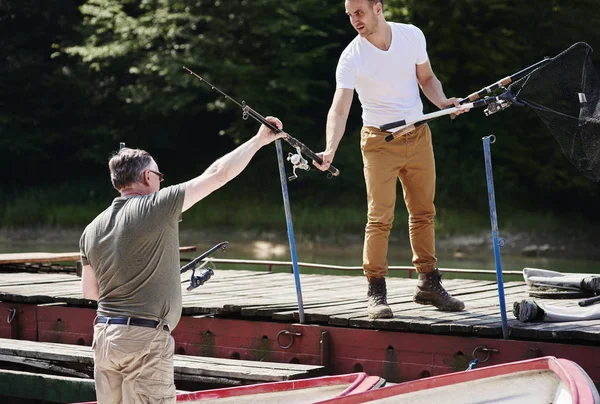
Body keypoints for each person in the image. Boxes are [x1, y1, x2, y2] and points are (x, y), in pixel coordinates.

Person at [80, 117, 285, 403]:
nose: (160, 181)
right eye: (159, 176)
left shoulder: (91, 229)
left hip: (104, 337)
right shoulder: (157, 206)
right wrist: (260, 139)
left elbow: (90, 292)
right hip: (144, 339)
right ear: (148, 177)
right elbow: (218, 174)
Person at [315, 0, 467, 319]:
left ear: (377, 8)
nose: (354, 20)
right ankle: (376, 291)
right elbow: (339, 109)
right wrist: (330, 149)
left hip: (418, 135)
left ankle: (428, 283)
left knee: (424, 212)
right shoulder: (351, 57)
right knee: (380, 217)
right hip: (379, 141)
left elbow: (427, 79)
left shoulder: (411, 35)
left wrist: (443, 102)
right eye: (350, 15)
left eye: (359, 12)